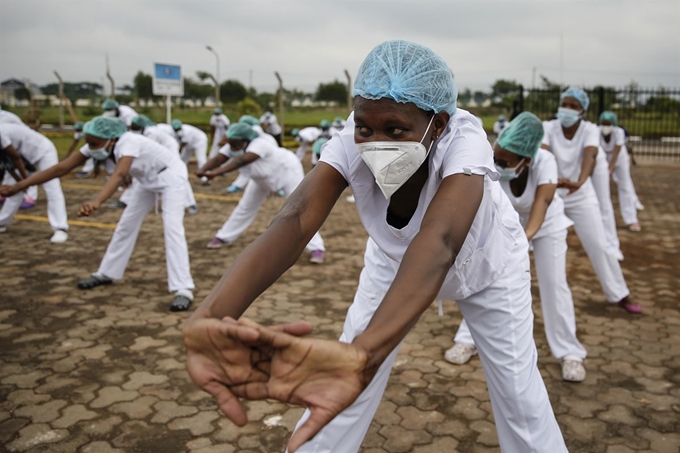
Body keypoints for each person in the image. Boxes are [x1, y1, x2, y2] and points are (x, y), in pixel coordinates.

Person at [183, 40, 568, 453]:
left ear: (437, 124)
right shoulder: (352, 137)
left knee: (519, 398)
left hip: (489, 266)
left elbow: (440, 241)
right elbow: (295, 219)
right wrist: (209, 318)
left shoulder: (465, 141)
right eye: (365, 128)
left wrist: (365, 355)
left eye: (396, 130)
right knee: (341, 382)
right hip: (393, 263)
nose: (375, 142)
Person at [445, 112, 587, 382]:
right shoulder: (494, 160)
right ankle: (467, 339)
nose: (498, 165)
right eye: (496, 158)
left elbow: (542, 203)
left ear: (527, 160)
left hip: (546, 225)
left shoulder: (546, 162)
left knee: (554, 285)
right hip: (507, 223)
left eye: (505, 162)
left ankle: (570, 353)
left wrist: (526, 237)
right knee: (483, 277)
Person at [1, 117, 196, 310]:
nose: (90, 148)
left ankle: (183, 289)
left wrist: (96, 201)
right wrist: (19, 186)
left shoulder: (129, 141)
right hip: (146, 180)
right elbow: (62, 168)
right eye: (88, 143)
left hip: (171, 177)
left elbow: (119, 174)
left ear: (111, 138)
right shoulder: (99, 144)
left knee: (172, 228)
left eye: (94, 143)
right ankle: (107, 272)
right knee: (125, 227)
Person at [542, 87, 641, 314]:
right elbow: (544, 152)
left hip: (580, 194)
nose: (567, 109)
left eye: (573, 106)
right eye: (564, 104)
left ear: (582, 110)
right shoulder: (548, 127)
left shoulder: (589, 129)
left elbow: (591, 154)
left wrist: (580, 181)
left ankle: (619, 293)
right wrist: (551, 179)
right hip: (552, 194)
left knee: (599, 244)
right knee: (521, 244)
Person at [196, 122, 326, 263]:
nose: (232, 148)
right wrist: (202, 170)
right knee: (245, 207)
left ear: (246, 141)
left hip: (287, 171)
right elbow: (217, 159)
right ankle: (223, 237)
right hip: (260, 179)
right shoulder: (234, 145)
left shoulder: (260, 144)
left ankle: (317, 248)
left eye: (236, 144)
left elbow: (242, 160)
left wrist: (215, 173)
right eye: (231, 144)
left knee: (300, 209)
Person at [0, 123, 69, 243]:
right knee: (12, 190)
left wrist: (25, 182)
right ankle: (2, 222)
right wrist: (19, 183)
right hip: (23, 157)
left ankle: (60, 228)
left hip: (42, 151)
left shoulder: (1, 133)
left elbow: (15, 158)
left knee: (52, 187)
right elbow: (8, 163)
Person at [130, 115, 199, 215]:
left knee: (178, 175)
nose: (133, 130)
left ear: (141, 126)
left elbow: (148, 150)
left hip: (169, 150)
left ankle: (190, 203)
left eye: (135, 128)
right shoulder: (146, 131)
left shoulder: (151, 132)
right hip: (161, 150)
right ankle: (129, 201)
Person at [598, 111, 642, 232]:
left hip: (619, 160)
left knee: (625, 186)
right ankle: (600, 220)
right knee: (600, 188)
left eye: (608, 123)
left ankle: (631, 219)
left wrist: (611, 168)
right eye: (603, 123)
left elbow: (617, 151)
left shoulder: (619, 132)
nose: (605, 126)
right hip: (602, 159)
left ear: (614, 124)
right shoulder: (596, 132)